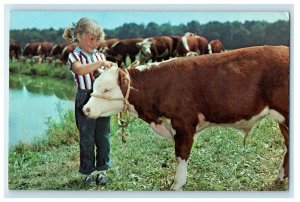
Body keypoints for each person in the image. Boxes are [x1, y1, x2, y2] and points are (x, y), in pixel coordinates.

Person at [63, 17, 113, 186]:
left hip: (102, 99)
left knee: (103, 136)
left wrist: (111, 68)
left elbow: (106, 75)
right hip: (85, 98)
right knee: (87, 138)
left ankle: (102, 170)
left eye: (97, 40)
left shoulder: (100, 55)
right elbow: (80, 70)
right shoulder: (74, 55)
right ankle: (88, 173)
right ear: (79, 36)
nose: (94, 43)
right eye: (91, 39)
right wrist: (100, 63)